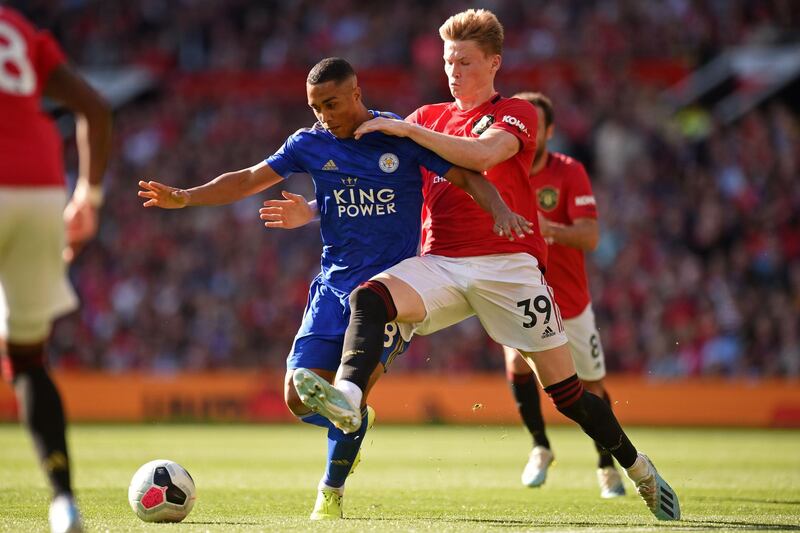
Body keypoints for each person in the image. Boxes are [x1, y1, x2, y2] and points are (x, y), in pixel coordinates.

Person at [292, 9, 680, 521]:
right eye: (450, 61)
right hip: (442, 263)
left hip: (507, 266)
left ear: (494, 63)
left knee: (568, 395)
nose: (454, 71)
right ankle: (347, 396)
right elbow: (378, 179)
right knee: (371, 294)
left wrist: (407, 132)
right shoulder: (424, 117)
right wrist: (315, 208)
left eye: (466, 62)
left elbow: (480, 156)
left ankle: (639, 469)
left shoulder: (517, 112)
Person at [138, 57, 530, 521]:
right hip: (331, 288)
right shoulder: (308, 143)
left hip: (390, 292)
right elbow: (247, 179)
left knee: (351, 390)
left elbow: (466, 176)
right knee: (297, 398)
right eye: (315, 106)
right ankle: (355, 424)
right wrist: (186, 196)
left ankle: (331, 491)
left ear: (356, 93)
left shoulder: (397, 137)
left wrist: (499, 209)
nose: (324, 115)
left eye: (331, 103)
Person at [0, 6, 112, 533]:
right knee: (27, 358)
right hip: (41, 185)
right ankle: (64, 502)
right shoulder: (16, 26)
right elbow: (94, 107)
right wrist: (87, 196)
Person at [503, 92, 625, 498]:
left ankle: (606, 464)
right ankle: (540, 446)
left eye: (536, 124)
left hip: (570, 302)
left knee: (592, 386)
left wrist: (546, 228)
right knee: (519, 368)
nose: (528, 131)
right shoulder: (502, 170)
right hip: (523, 294)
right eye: (522, 122)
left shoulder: (569, 171)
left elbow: (590, 236)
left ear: (549, 131)